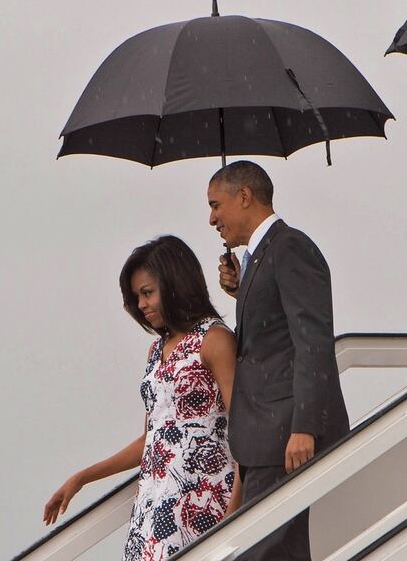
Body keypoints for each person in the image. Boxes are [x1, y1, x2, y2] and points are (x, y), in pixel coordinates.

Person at [42, 235, 240, 561]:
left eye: (147, 293)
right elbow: (153, 440)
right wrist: (82, 478)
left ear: (175, 283)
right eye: (136, 297)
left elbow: (244, 429)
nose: (142, 305)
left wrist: (235, 512)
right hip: (152, 507)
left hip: (200, 502)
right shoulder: (155, 351)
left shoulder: (214, 339)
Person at [208, 160, 349, 561]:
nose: (212, 218)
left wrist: (303, 426)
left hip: (283, 433)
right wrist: (242, 290)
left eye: (216, 204)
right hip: (264, 439)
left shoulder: (289, 247)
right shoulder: (261, 256)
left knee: (265, 554)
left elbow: (312, 341)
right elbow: (276, 331)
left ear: (245, 196)